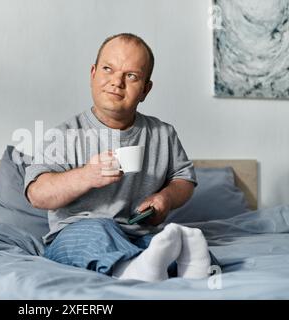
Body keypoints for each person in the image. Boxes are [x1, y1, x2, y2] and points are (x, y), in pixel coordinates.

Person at [24, 33, 216, 282]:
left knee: (167, 240)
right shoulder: (65, 135)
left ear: (145, 89)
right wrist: (86, 175)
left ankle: (178, 265)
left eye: (131, 76)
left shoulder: (162, 134)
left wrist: (165, 198)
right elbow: (37, 194)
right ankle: (133, 269)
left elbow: (184, 179)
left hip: (138, 233)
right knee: (93, 234)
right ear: (93, 74)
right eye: (107, 69)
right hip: (79, 232)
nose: (117, 82)